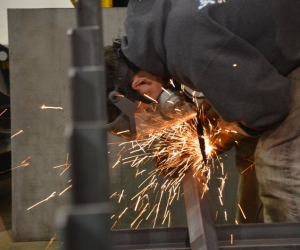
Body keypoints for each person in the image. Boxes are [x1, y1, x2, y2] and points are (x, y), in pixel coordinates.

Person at [104, 0, 300, 223]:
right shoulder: (153, 29)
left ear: (139, 84)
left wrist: (216, 135)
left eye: (148, 110)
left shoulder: (187, 46)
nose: (159, 112)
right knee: (249, 151)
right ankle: (254, 235)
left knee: (278, 159)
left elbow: (269, 108)